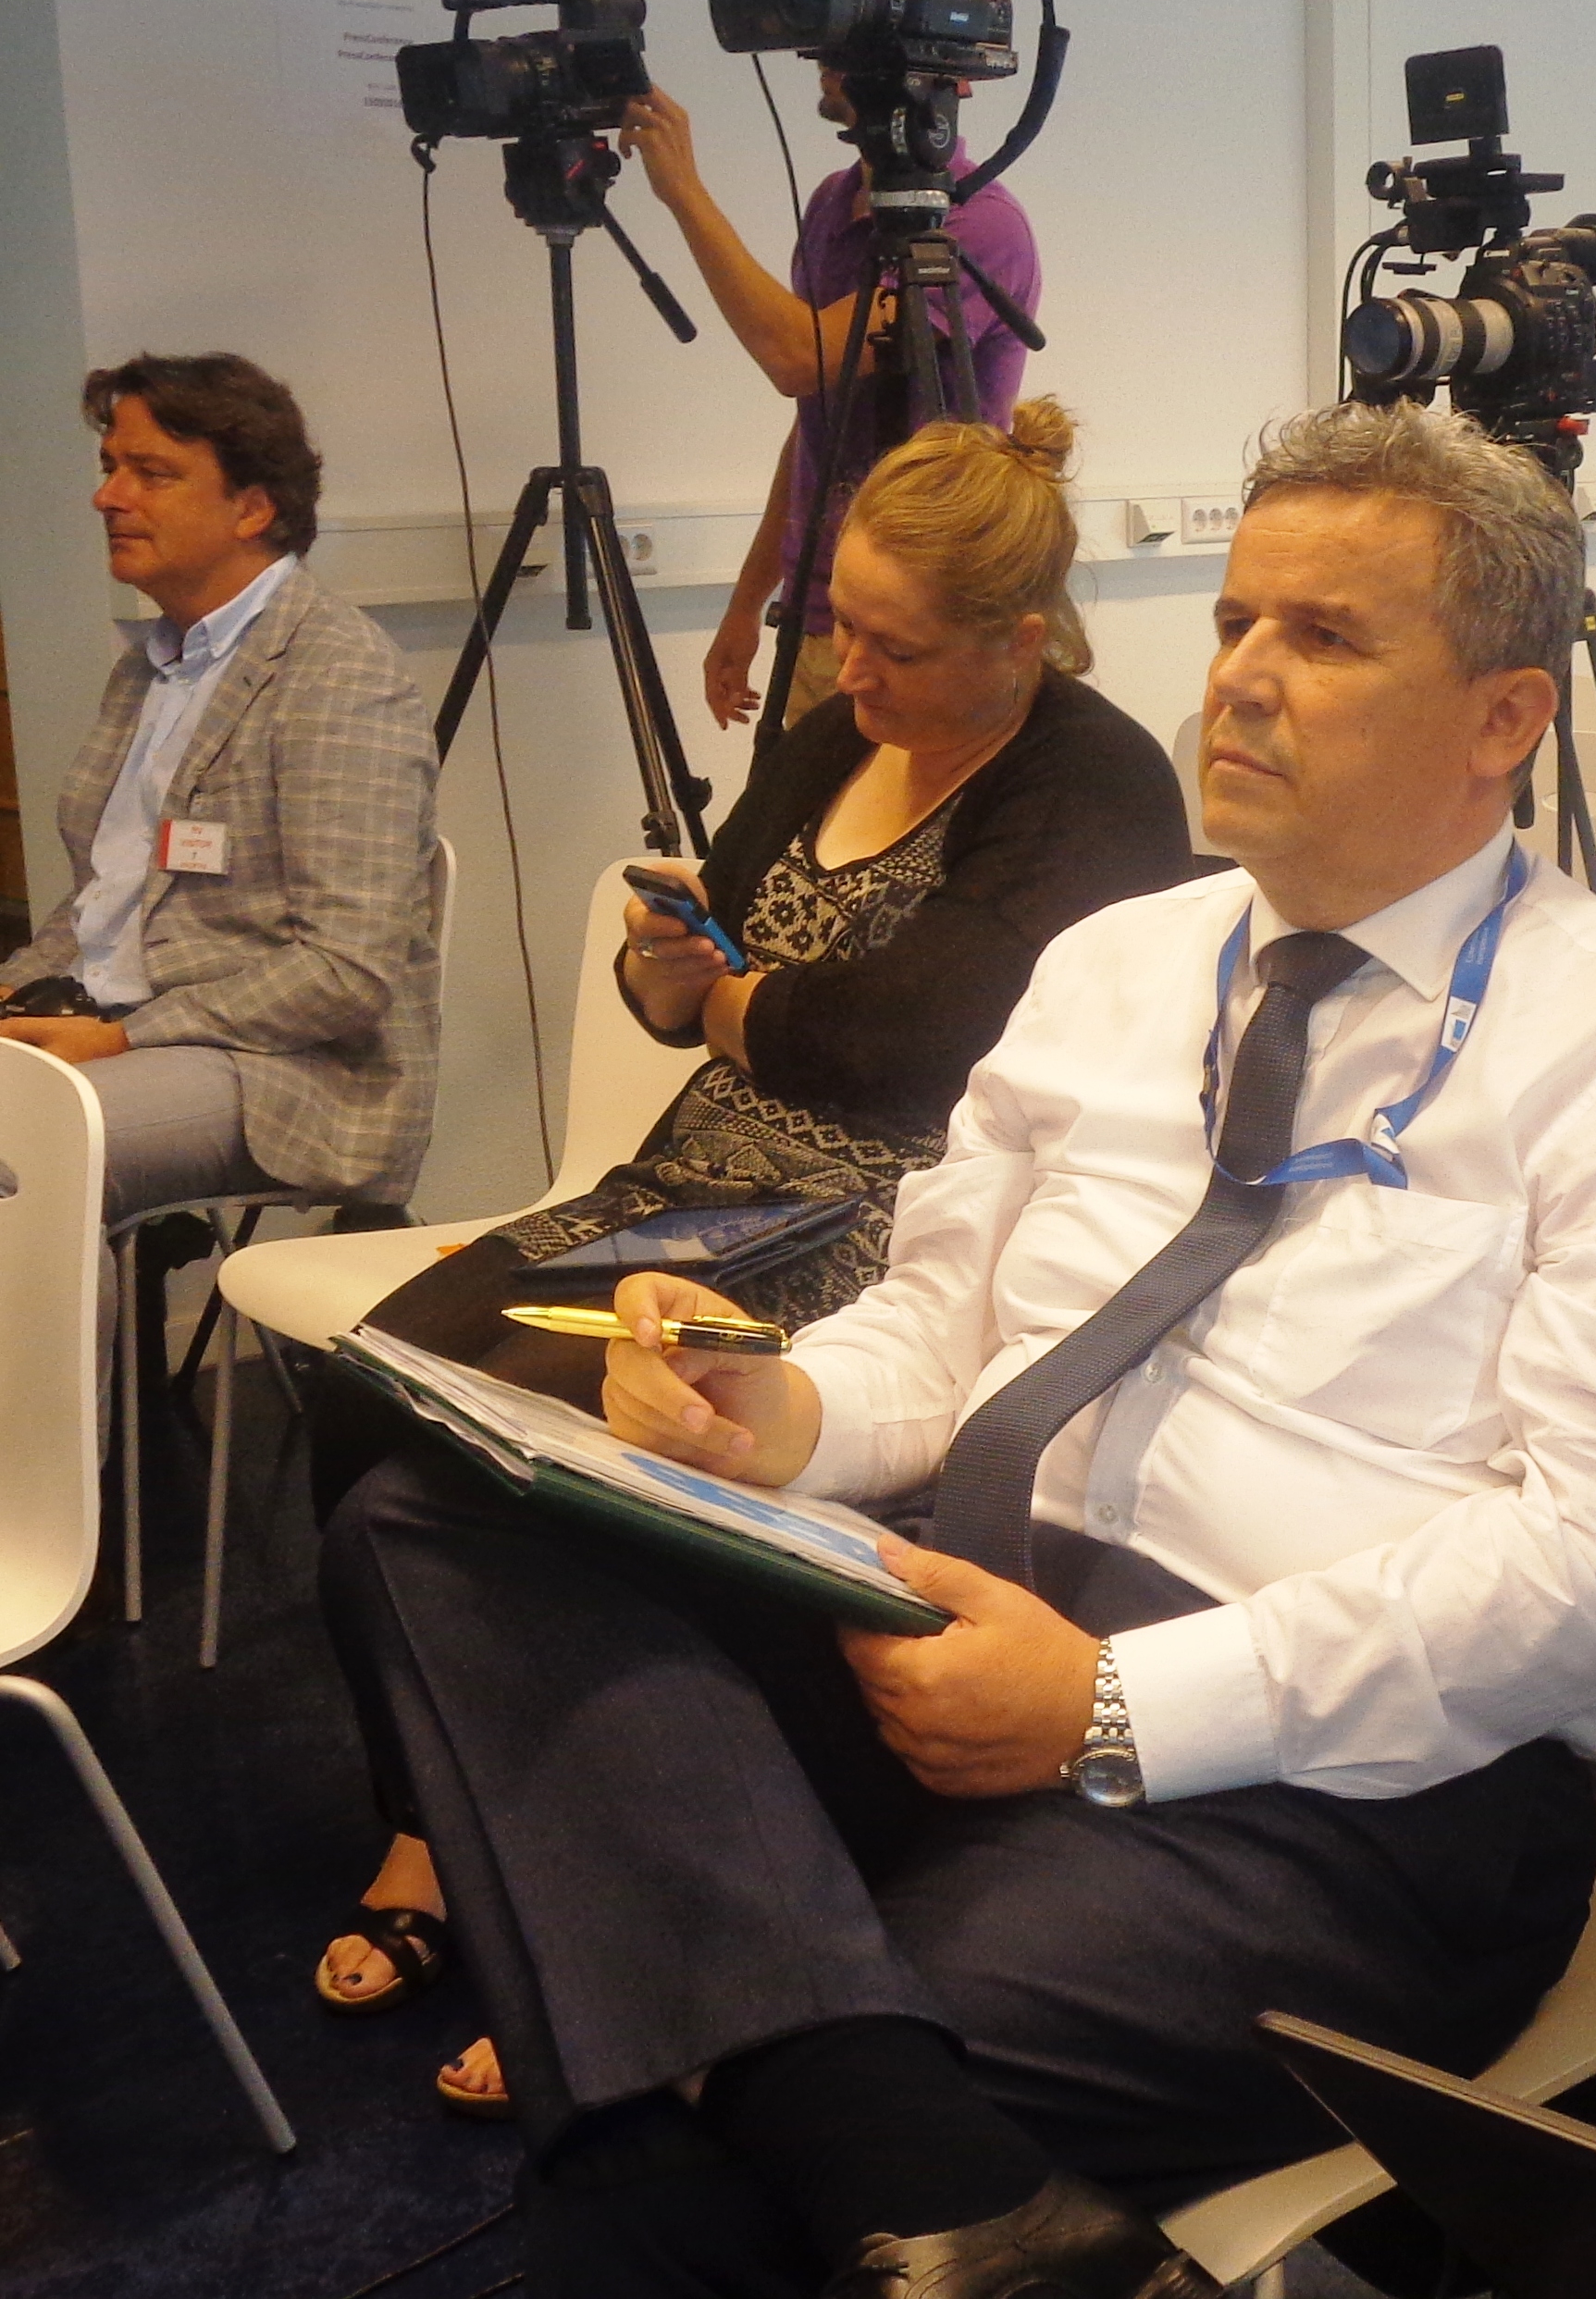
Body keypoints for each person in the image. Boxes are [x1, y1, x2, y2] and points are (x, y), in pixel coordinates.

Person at [322, 402, 1596, 2296]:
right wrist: (773, 1413)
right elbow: (940, 1325)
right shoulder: (1119, 965)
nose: (1241, 676)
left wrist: (1117, 1706)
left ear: (1503, 718)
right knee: (433, 1515)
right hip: (949, 1613)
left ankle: (843, 2115)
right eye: (1232, 621)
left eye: (1324, 635)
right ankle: (923, 2163)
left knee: (671, 2168)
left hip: (1334, 1780)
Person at [311, 399, 1199, 2113]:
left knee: (566, 1442)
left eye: (894, 646)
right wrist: (674, 980)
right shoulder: (830, 734)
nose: (847, 673)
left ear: (1019, 641)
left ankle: (587, 1893)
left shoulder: (1089, 783)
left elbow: (917, 1042)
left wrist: (739, 1004)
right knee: (373, 1387)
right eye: (839, 626)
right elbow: (717, 965)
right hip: (695, 1176)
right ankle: (435, 1820)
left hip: (882, 1209)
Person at [0, 353, 439, 1223]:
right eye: (110, 468)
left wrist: (123, 1037)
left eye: (151, 473)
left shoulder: (338, 673)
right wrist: (16, 990)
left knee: (25, 1145)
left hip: (286, 1071)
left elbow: (346, 970)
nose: (108, 497)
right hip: (108, 1017)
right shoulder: (148, 667)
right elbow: (101, 905)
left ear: (252, 508)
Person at [623, 61, 1042, 729]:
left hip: (926, 630)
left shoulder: (980, 225)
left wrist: (684, 192)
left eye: (856, 44)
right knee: (804, 804)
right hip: (820, 614)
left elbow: (800, 358)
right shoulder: (831, 203)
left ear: (949, 75)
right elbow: (819, 417)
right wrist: (747, 605)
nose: (827, 56)